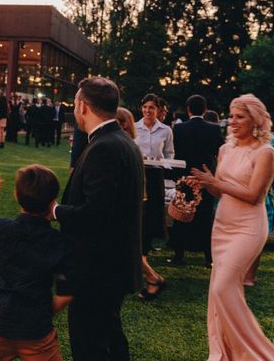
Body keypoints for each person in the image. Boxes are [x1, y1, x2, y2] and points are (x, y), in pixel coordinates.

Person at [52, 77, 143, 361]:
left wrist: (54, 210)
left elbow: (96, 214)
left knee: (90, 345)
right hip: (113, 264)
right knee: (111, 339)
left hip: (97, 269)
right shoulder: (122, 142)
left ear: (82, 106)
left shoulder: (104, 147)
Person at [187, 94, 274, 360]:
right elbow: (221, 192)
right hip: (222, 224)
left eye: (240, 116)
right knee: (221, 290)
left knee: (222, 288)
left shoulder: (266, 152)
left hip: (248, 228)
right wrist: (203, 185)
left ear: (255, 120)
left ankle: (258, 353)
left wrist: (214, 181)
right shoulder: (226, 149)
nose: (233, 122)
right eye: (231, 116)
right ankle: (225, 352)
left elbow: (253, 195)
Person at [0, 167, 73, 361]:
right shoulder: (59, 241)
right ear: (53, 201)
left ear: (16, 195)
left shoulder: (3, 228)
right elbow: (67, 291)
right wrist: (44, 312)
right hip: (37, 331)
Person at [170, 95, 223, 268]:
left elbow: (175, 154)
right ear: (205, 110)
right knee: (206, 216)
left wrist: (179, 177)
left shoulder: (178, 129)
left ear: (188, 109)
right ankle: (209, 258)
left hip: (185, 177)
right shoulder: (214, 130)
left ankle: (179, 255)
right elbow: (219, 153)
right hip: (205, 177)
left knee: (181, 214)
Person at [134, 93, 173, 300]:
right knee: (139, 209)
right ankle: (139, 248)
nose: (148, 111)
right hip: (138, 174)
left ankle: (145, 248)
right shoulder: (134, 127)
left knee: (153, 212)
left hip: (156, 174)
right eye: (145, 107)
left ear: (158, 110)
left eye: (152, 108)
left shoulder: (166, 130)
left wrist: (162, 161)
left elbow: (170, 154)